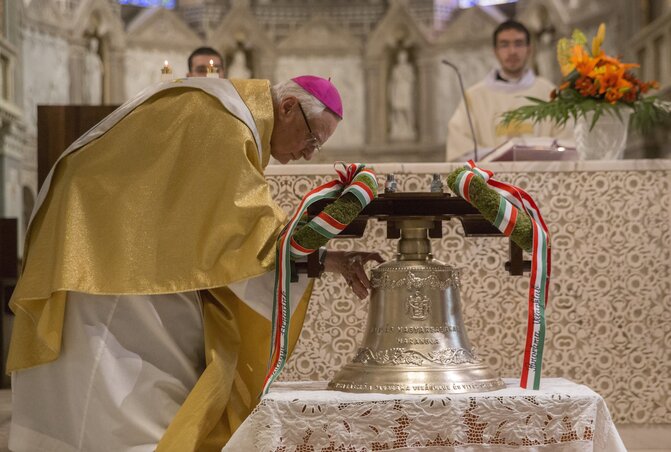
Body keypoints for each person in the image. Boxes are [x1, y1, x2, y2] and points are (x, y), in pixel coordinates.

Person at [7, 75, 382, 451]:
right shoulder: (225, 121)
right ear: (286, 108)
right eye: (311, 139)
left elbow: (229, 236)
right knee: (124, 387)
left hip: (117, 249)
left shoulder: (225, 111)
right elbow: (251, 234)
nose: (308, 153)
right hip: (102, 255)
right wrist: (328, 259)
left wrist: (327, 259)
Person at [446, 20, 571, 161]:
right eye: (504, 45)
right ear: (495, 51)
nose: (512, 52)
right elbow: (461, 150)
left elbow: (567, 144)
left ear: (529, 49)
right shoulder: (474, 97)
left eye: (518, 44)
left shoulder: (549, 92)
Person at [388, 49, 416, 142]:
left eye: (403, 57)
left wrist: (404, 74)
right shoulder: (395, 69)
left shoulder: (409, 68)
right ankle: (397, 128)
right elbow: (393, 81)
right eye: (400, 57)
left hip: (406, 90)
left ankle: (410, 128)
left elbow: (412, 79)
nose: (401, 59)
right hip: (398, 91)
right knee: (398, 110)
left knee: (407, 109)